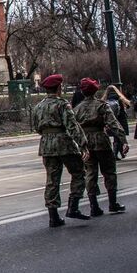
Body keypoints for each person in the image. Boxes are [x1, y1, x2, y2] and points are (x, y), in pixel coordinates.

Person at [32, 74, 90, 227]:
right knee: (79, 172)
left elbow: (36, 127)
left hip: (46, 144)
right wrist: (82, 144)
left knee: (52, 179)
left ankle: (53, 216)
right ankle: (73, 207)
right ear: (58, 88)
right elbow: (72, 125)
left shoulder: (38, 106)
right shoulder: (62, 104)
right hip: (64, 143)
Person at [73, 78, 127, 215]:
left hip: (85, 142)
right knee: (109, 171)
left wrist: (79, 144)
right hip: (101, 140)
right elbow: (113, 124)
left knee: (90, 173)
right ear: (95, 91)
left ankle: (94, 206)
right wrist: (123, 140)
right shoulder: (101, 105)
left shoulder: (77, 109)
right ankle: (112, 203)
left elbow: (73, 128)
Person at [102, 85, 131, 159]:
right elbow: (128, 105)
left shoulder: (104, 99)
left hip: (111, 120)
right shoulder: (120, 98)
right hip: (121, 119)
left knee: (116, 137)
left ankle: (119, 152)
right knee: (119, 136)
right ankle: (116, 153)